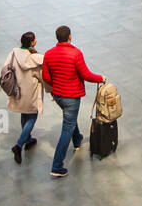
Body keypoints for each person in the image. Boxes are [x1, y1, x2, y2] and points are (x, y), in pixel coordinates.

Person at [40, 25, 106, 178]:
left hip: (58, 95)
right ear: (70, 36)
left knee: (69, 119)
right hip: (71, 96)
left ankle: (77, 140)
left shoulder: (49, 54)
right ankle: (57, 166)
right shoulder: (76, 54)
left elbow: (46, 77)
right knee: (66, 129)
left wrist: (57, 84)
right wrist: (101, 78)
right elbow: (86, 75)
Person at [5, 32, 44, 165]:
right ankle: (19, 145)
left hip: (18, 90)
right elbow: (41, 76)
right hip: (31, 92)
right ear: (32, 42)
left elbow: (6, 66)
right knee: (32, 117)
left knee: (24, 114)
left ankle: (28, 139)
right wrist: (50, 89)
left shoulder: (13, 53)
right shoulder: (35, 58)